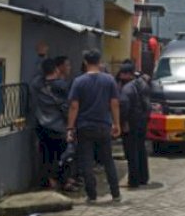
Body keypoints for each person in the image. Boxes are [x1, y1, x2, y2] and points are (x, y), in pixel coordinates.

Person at [67, 49, 122, 204]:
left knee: (87, 162)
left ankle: (92, 195)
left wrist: (70, 128)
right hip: (104, 125)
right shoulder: (109, 80)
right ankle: (115, 193)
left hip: (84, 126)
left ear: (85, 62)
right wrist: (116, 123)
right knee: (107, 160)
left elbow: (73, 107)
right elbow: (115, 103)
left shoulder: (79, 82)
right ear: (100, 61)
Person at [32, 59, 68, 189]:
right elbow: (66, 107)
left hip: (42, 126)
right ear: (56, 70)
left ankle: (47, 181)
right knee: (60, 155)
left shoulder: (38, 85)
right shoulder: (62, 86)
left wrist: (41, 57)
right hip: (58, 127)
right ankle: (58, 181)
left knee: (45, 155)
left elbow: (38, 76)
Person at [119, 64, 151, 188]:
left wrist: (123, 122)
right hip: (142, 121)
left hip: (131, 122)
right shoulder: (143, 84)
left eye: (122, 74)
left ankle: (134, 180)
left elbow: (124, 106)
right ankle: (144, 177)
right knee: (141, 149)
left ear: (127, 74)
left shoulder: (127, 88)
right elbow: (148, 105)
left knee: (131, 152)